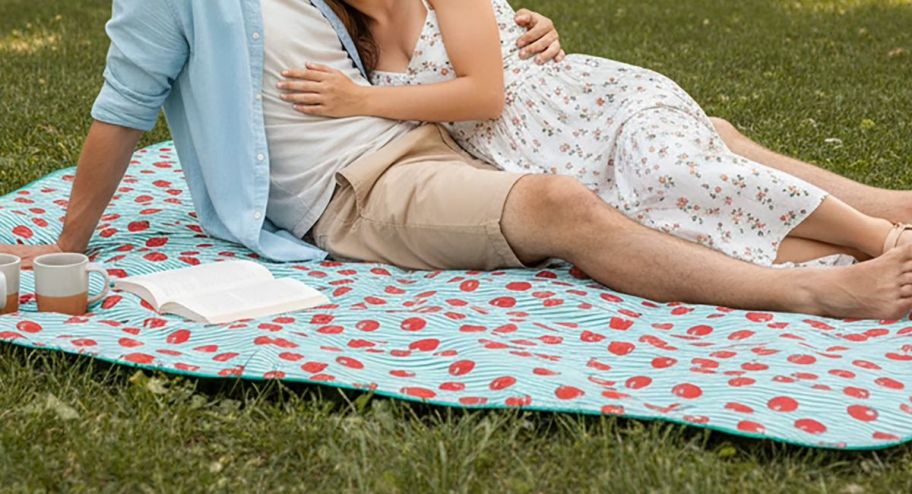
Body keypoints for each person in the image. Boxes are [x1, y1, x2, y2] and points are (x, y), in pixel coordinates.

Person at [2, 0, 912, 321]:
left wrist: (524, 31)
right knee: (561, 201)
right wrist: (67, 243)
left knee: (680, 146)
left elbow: (440, 46)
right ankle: (820, 292)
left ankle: (888, 211)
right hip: (361, 188)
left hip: (452, 137)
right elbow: (120, 112)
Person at [279, 0, 911, 270]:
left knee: (673, 176)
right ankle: (864, 260)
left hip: (591, 111)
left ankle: (881, 236)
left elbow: (485, 93)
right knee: (666, 232)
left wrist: (360, 101)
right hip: (537, 157)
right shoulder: (350, 37)